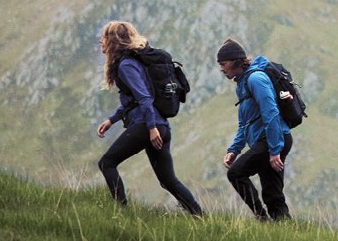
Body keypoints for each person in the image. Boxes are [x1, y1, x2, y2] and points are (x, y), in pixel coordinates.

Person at [95, 21, 203, 215]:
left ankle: (122, 212)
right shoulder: (133, 63)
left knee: (107, 163)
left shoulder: (126, 65)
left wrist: (151, 128)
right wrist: (112, 120)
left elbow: (144, 97)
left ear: (112, 41)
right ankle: (200, 217)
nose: (100, 42)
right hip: (161, 126)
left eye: (103, 38)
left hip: (147, 127)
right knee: (168, 180)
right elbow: (134, 100)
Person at [217, 39, 293, 220]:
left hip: (273, 139)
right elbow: (245, 123)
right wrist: (233, 149)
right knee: (273, 195)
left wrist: (274, 150)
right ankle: (284, 231)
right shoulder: (242, 84)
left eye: (223, 63)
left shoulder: (256, 79)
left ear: (236, 61)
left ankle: (262, 219)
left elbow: (271, 113)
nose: (221, 68)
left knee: (236, 173)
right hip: (269, 140)